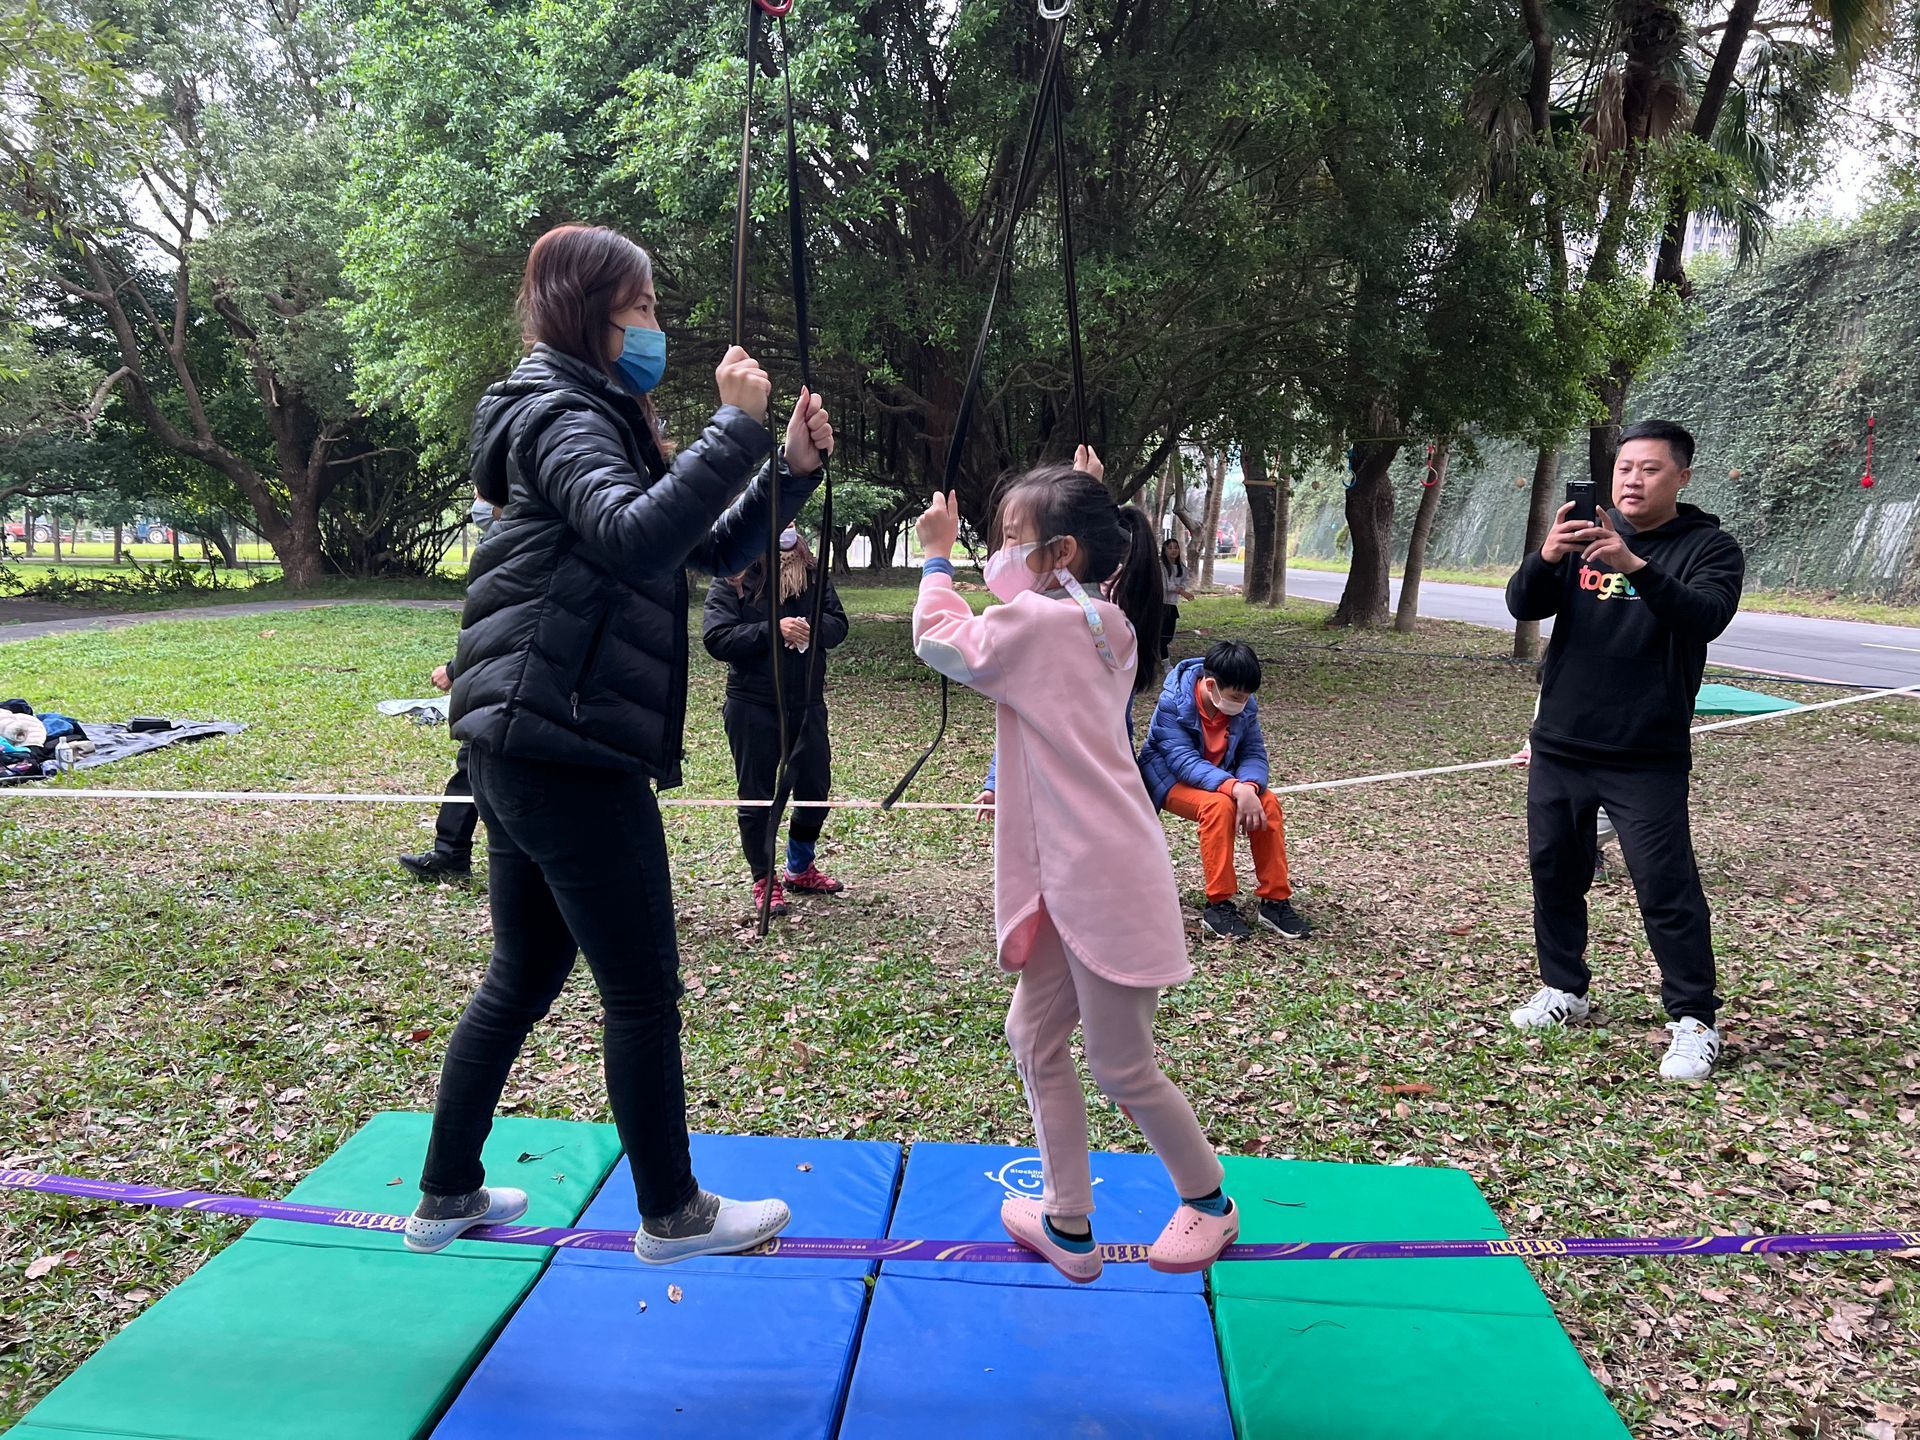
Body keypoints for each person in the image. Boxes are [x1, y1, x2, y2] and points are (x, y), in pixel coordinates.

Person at [405, 223, 834, 1260]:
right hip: (566, 746)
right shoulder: (560, 412)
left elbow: (694, 546)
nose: (654, 327)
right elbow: (635, 536)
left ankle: (447, 1192)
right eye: (640, 308)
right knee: (640, 991)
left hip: (528, 741)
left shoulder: (587, 410)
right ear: (588, 310)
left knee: (524, 974)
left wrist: (784, 471)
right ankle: (673, 1213)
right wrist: (733, 426)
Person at [910, 450, 1238, 1284]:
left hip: (1102, 878)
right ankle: (1067, 1219)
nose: (998, 553)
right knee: (1032, 1036)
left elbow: (942, 640)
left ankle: (1209, 1203)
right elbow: (1068, 590)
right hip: (1080, 870)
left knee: (1123, 1067)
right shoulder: (1107, 621)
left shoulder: (1040, 627)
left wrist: (937, 557)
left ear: (1062, 553)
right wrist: (1087, 500)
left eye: (1010, 537)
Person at [1505, 419, 1744, 1082]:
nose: (1633, 480)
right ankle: (1564, 988)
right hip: (1562, 743)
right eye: (1625, 468)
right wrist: (1548, 556)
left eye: (1650, 469)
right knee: (1555, 871)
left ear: (1681, 477)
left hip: (1645, 751)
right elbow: (1523, 604)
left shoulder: (1709, 547)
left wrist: (1633, 565)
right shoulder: (1584, 535)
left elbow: (1705, 617)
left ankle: (1694, 1019)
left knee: (1666, 886)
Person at [701, 524, 849, 916]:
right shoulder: (735, 575)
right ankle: (764, 878)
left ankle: (799, 868)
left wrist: (812, 629)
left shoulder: (813, 571)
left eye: (792, 520)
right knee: (757, 796)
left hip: (807, 702)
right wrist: (773, 630)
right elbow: (717, 637)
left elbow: (838, 624)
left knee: (815, 788)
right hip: (752, 703)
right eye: (780, 517)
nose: (788, 526)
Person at [1138, 640, 1310, 941]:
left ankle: (1275, 900)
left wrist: (1250, 787)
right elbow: (1182, 761)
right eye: (1236, 697)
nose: (1242, 703)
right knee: (1218, 807)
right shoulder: (1172, 703)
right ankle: (1218, 904)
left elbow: (1253, 752)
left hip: (1225, 781)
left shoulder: (1245, 706)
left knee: (1268, 802)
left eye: (1246, 697)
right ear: (1211, 685)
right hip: (1170, 779)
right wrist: (1235, 789)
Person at [401, 499, 503, 881]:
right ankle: (451, 852)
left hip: (512, 680)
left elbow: (499, 622)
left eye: (482, 495)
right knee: (474, 760)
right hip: (509, 678)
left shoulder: (514, 541)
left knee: (478, 758)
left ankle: (452, 853)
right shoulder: (510, 538)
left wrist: (454, 670)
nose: (478, 504)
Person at [1159, 538, 1193, 661]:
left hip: (1172, 605)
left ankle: (1159, 658)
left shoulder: (1181, 567)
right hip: (1160, 604)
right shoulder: (1161, 566)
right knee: (1162, 637)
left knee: (1168, 636)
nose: (1174, 550)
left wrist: (1182, 587)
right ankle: (1165, 663)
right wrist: (1182, 592)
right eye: (1170, 548)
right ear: (1165, 550)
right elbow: (1165, 585)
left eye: (1176, 547)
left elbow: (1185, 580)